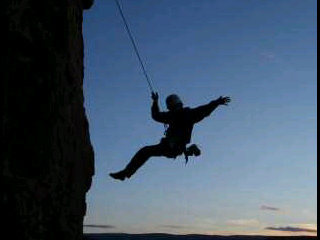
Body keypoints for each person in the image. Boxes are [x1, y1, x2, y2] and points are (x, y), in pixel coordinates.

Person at [109, 92, 231, 181]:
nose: (173, 109)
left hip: (174, 147)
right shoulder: (179, 115)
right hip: (170, 147)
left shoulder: (184, 114)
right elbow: (156, 116)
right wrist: (155, 102)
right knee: (145, 151)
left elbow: (204, 110)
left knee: (145, 151)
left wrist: (216, 103)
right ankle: (125, 173)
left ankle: (125, 173)